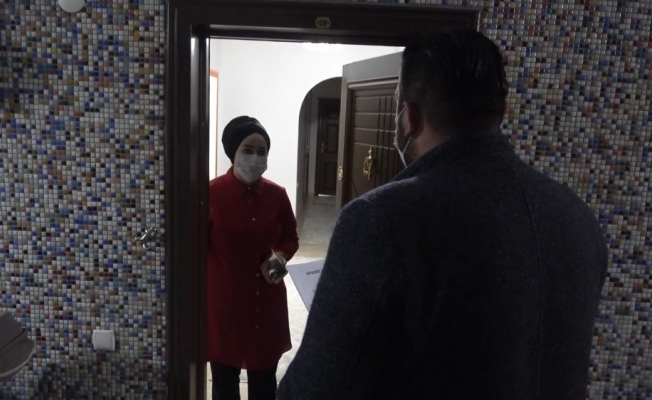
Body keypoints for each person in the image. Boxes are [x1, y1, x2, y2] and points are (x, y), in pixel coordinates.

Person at [277, 29, 607, 400]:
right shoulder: (577, 218)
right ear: (501, 112)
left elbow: (314, 390)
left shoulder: (380, 220)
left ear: (410, 116)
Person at [207, 116, 299, 400]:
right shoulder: (210, 194)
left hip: (266, 301)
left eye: (262, 151)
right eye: (248, 150)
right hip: (225, 304)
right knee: (224, 382)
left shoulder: (277, 195)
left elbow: (291, 237)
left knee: (264, 382)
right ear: (233, 152)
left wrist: (280, 256)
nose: (256, 157)